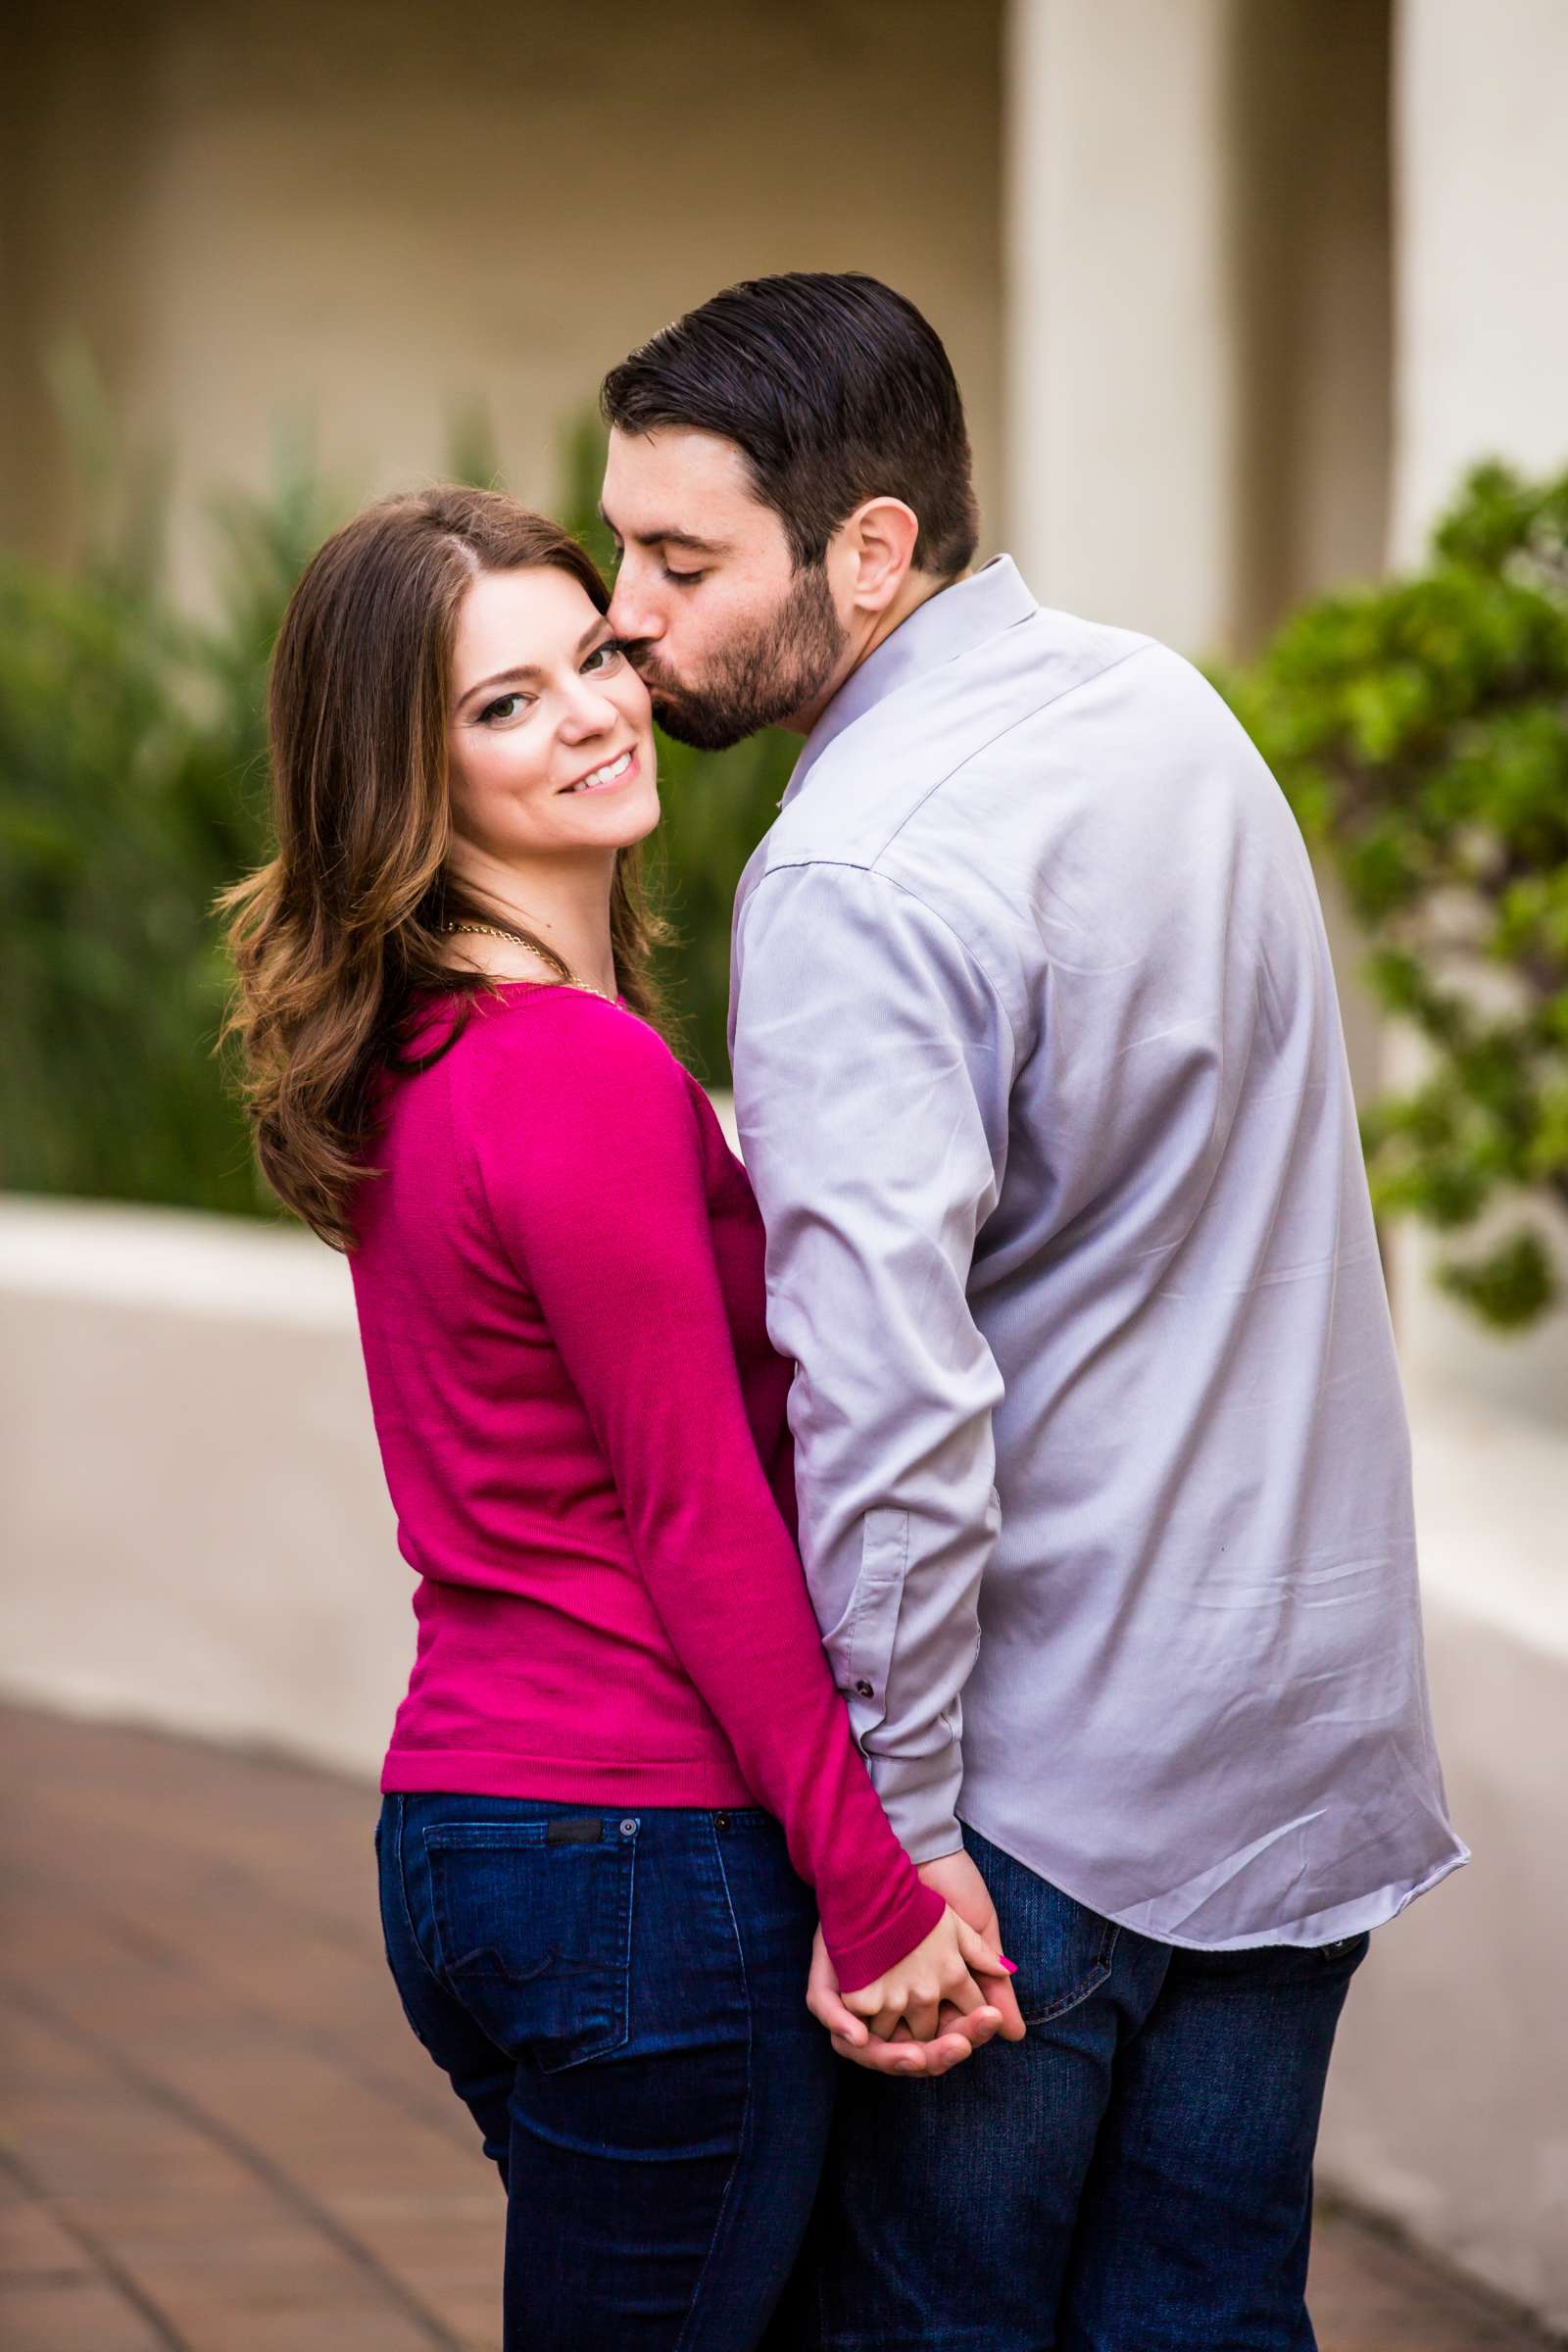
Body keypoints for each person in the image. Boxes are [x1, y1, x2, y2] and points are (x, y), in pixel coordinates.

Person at [598, 271, 1469, 2351]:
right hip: (1300, 1736)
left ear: (869, 549)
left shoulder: (852, 872)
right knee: (1208, 2319)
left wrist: (886, 1849)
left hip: (1037, 1796)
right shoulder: (1158, 706)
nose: (627, 608)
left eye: (680, 558)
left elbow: (882, 1401)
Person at [219, 486, 1017, 2352]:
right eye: (500, 706)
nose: (591, 711)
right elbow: (697, 1513)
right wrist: (872, 1884)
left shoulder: (428, 1056)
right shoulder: (568, 1069)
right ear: (400, 783)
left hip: (476, 1839)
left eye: (590, 655)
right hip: (642, 1861)